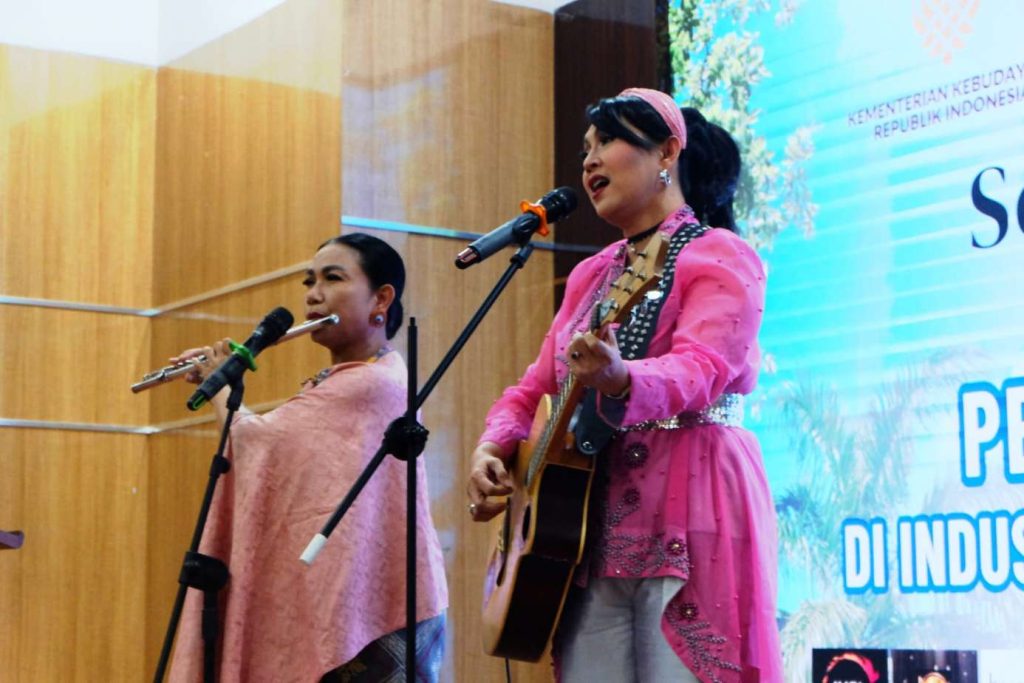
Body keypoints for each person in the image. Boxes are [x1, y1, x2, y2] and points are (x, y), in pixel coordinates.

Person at [466, 88, 782, 682]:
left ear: (668, 152)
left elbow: (703, 367)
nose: (589, 159)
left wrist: (621, 378)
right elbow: (536, 389)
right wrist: (493, 446)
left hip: (692, 503)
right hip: (586, 526)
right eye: (585, 148)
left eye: (607, 141)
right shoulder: (592, 273)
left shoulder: (721, 254)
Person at [168, 233, 448, 682]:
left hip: (376, 625)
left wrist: (218, 384)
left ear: (381, 299)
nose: (313, 295)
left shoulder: (375, 383)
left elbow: (259, 443)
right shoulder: (352, 378)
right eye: (309, 281)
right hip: (365, 608)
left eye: (332, 279)